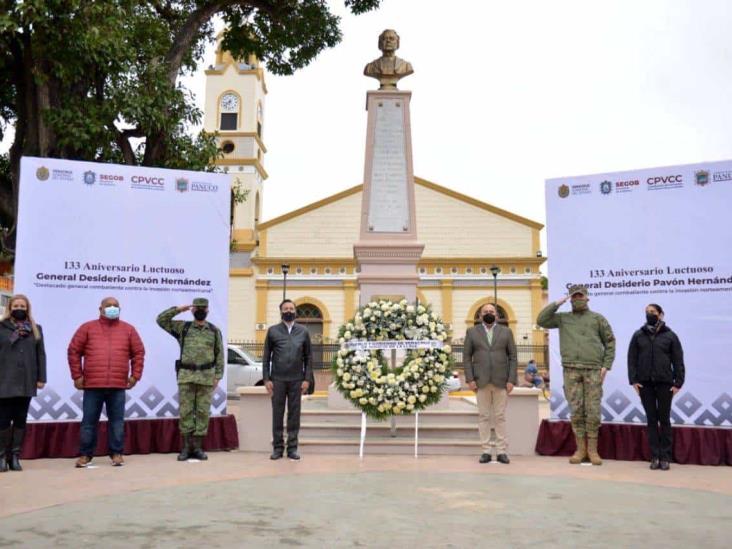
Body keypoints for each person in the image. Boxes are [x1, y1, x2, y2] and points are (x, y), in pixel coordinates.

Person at [537, 285, 615, 466]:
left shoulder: (597, 319)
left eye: (580, 296)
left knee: (593, 410)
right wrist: (558, 302)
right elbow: (542, 320)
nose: (577, 299)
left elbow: (610, 342)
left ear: (587, 298)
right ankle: (580, 449)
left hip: (593, 370)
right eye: (574, 296)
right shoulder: (563, 319)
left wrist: (606, 365)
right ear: (570, 299)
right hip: (571, 370)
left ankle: (593, 450)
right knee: (576, 410)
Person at [68, 297, 145, 468]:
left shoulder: (128, 330)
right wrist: (77, 376)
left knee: (117, 422)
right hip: (92, 385)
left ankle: (116, 453)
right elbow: (73, 351)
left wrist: (135, 376)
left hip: (118, 385)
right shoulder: (87, 328)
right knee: (89, 422)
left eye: (115, 306)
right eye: (108, 306)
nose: (112, 308)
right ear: (100, 308)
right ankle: (85, 455)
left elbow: (138, 353)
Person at [157, 298, 223, 461]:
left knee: (202, 412)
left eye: (203, 308)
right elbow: (161, 320)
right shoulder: (183, 327)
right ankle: (186, 447)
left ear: (207, 310)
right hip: (186, 375)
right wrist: (179, 309)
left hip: (206, 376)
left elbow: (219, 354)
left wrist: (218, 376)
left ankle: (198, 447)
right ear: (193, 310)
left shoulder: (214, 331)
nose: (200, 310)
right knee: (186, 412)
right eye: (197, 308)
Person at [627, 303, 684, 471]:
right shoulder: (638, 335)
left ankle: (665, 457)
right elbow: (632, 359)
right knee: (651, 420)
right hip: (645, 384)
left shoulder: (670, 336)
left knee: (664, 420)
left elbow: (678, 360)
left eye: (652, 312)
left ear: (660, 314)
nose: (649, 314)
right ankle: (655, 456)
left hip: (665, 383)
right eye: (647, 312)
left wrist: (678, 383)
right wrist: (633, 380)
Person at [463, 303, 518, 464]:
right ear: (480, 316)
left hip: (502, 381)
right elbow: (467, 357)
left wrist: (511, 379)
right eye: (485, 311)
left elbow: (513, 357)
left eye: (491, 311)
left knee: (500, 417)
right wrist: (470, 379)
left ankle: (501, 451)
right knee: (484, 417)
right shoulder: (472, 332)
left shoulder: (506, 332)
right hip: (481, 381)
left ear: (497, 315)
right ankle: (486, 451)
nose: (488, 313)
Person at [0, 295, 46, 472]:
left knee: (20, 419)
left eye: (23, 306)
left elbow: (41, 355)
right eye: (16, 305)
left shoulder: (36, 329)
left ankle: (15, 456)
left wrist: (41, 378)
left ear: (28, 309)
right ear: (10, 308)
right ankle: (2, 457)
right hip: (4, 380)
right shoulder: (2, 327)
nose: (20, 308)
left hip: (26, 381)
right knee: (3, 420)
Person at [262, 299, 312, 461]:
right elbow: (266, 357)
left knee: (294, 415)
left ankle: (292, 448)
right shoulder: (272, 331)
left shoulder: (303, 331)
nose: (289, 311)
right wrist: (266, 379)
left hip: (297, 380)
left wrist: (307, 379)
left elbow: (308, 357)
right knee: (277, 414)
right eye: (286, 309)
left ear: (295, 311)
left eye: (291, 308)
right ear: (281, 311)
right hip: (277, 380)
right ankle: (277, 448)